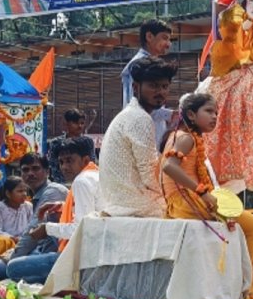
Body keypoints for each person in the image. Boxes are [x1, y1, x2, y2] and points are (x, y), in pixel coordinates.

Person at [161, 92, 253, 293]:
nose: (214, 117)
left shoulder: (183, 136)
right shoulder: (186, 139)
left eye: (216, 113)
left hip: (184, 201)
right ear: (191, 115)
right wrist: (203, 193)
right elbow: (168, 167)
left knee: (247, 222)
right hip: (188, 203)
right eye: (209, 111)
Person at [6, 137, 100, 284]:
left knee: (12, 268)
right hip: (89, 252)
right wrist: (63, 207)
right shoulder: (95, 175)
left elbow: (81, 229)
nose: (64, 167)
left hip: (81, 258)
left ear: (85, 160)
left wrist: (47, 229)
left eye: (70, 161)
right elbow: (92, 213)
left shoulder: (81, 182)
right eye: (61, 162)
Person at [100, 56, 176, 217]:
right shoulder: (139, 118)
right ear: (135, 87)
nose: (160, 92)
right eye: (153, 86)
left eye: (165, 86)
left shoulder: (132, 114)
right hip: (134, 206)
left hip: (122, 201)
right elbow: (150, 176)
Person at [0, 154, 68, 281]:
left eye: (35, 168)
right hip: (40, 250)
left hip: (57, 255)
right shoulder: (34, 197)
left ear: (47, 172)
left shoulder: (53, 192)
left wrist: (12, 258)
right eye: (25, 170)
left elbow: (31, 234)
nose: (30, 173)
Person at [121, 19, 174, 146]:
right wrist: (171, 115)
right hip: (141, 139)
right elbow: (136, 107)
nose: (168, 44)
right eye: (164, 38)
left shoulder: (152, 64)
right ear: (149, 37)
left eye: (164, 86)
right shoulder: (137, 66)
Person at [47, 108, 87, 183]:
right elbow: (53, 166)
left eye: (82, 123)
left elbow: (91, 165)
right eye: (76, 123)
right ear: (66, 123)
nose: (80, 126)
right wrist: (63, 185)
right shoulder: (56, 143)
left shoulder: (87, 142)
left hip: (84, 183)